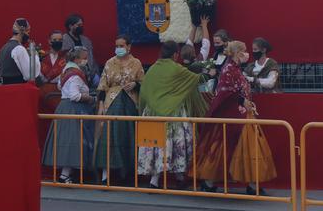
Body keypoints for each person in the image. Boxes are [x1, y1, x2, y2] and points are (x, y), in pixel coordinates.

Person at [136, 40, 208, 188]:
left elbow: (144, 91)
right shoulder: (177, 69)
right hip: (173, 113)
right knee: (175, 146)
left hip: (152, 113)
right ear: (175, 54)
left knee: (156, 145)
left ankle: (154, 181)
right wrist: (209, 73)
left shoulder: (153, 69)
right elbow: (196, 79)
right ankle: (180, 178)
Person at [196, 41, 253, 192]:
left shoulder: (235, 68)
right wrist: (242, 100)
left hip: (240, 113)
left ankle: (250, 183)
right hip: (232, 115)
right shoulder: (229, 69)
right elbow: (225, 92)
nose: (247, 53)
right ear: (237, 53)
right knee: (228, 148)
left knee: (240, 148)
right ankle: (210, 181)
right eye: (244, 50)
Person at [41, 47, 96, 184]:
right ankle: (65, 176)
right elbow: (75, 96)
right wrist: (90, 98)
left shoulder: (65, 71)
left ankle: (66, 174)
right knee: (74, 142)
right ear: (76, 59)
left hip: (64, 108)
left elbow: (60, 86)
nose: (86, 60)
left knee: (68, 142)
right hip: (74, 109)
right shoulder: (76, 74)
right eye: (84, 57)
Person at [93, 36, 144, 182]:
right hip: (112, 101)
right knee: (108, 135)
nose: (119, 48)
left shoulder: (136, 63)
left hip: (130, 102)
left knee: (129, 136)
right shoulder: (110, 62)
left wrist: (135, 84)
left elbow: (143, 82)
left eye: (122, 45)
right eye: (117, 45)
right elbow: (102, 85)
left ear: (129, 46)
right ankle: (105, 173)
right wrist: (101, 104)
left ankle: (127, 173)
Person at [0, 19, 40, 85]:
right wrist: (35, 56)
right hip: (18, 90)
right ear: (22, 32)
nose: (28, 36)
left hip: (5, 89)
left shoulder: (3, 48)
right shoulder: (19, 49)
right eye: (28, 33)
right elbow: (29, 75)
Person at [59, 14, 97, 83]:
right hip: (74, 73)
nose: (81, 27)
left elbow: (91, 57)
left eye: (82, 25)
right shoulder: (64, 40)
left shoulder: (86, 40)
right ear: (71, 26)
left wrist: (94, 71)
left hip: (90, 72)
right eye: (78, 25)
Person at [38, 30, 67, 113]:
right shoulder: (41, 56)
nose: (57, 42)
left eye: (60, 40)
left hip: (59, 93)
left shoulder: (66, 57)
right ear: (49, 41)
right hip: (43, 93)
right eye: (54, 40)